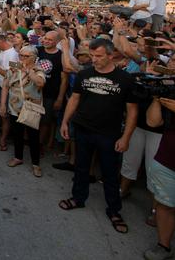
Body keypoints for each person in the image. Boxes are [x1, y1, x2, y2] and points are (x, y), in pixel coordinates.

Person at [58, 39, 138, 234]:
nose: (94, 59)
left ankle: (114, 210)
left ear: (111, 55)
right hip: (83, 129)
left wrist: (126, 137)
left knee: (110, 174)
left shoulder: (125, 79)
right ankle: (78, 198)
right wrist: (65, 122)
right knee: (81, 167)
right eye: (92, 55)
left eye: (99, 56)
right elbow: (74, 99)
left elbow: (132, 111)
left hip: (109, 134)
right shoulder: (84, 74)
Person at [0, 45, 46, 177]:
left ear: (34, 57)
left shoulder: (38, 69)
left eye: (26, 56)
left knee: (33, 137)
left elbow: (40, 83)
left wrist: (28, 70)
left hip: (31, 109)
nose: (22, 58)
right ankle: (18, 157)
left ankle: (36, 164)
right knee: (17, 134)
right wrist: (2, 105)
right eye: (21, 55)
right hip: (14, 108)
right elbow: (5, 86)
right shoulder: (13, 67)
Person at [144, 96, 175, 260]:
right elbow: (152, 122)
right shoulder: (173, 87)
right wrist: (157, 99)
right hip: (167, 159)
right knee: (165, 205)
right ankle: (164, 246)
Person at [37, 31, 68, 151]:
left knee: (45, 121)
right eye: (45, 38)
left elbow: (64, 79)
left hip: (50, 94)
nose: (46, 41)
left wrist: (60, 98)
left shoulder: (60, 56)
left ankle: (40, 144)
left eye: (50, 40)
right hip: (35, 92)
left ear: (56, 42)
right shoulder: (38, 51)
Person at [0, 33, 19, 151]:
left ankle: (3, 139)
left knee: (4, 115)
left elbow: (13, 74)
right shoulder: (3, 51)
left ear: (0, 42)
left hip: (7, 89)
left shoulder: (13, 55)